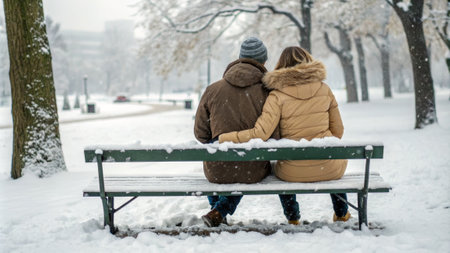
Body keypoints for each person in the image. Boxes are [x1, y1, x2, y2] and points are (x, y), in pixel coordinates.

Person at [219, 46, 351, 222]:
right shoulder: (324, 89)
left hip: (292, 171)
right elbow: (338, 131)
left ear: (281, 65)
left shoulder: (277, 95)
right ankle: (342, 213)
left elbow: (261, 133)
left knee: (279, 163)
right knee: (330, 155)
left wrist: (225, 137)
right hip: (329, 168)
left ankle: (293, 217)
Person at [194, 37, 299, 227]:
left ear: (240, 58)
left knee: (225, 168)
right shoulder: (269, 92)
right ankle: (219, 211)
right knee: (245, 167)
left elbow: (201, 135)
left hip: (216, 169)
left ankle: (219, 210)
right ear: (263, 62)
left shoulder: (213, 89)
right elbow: (275, 136)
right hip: (254, 167)